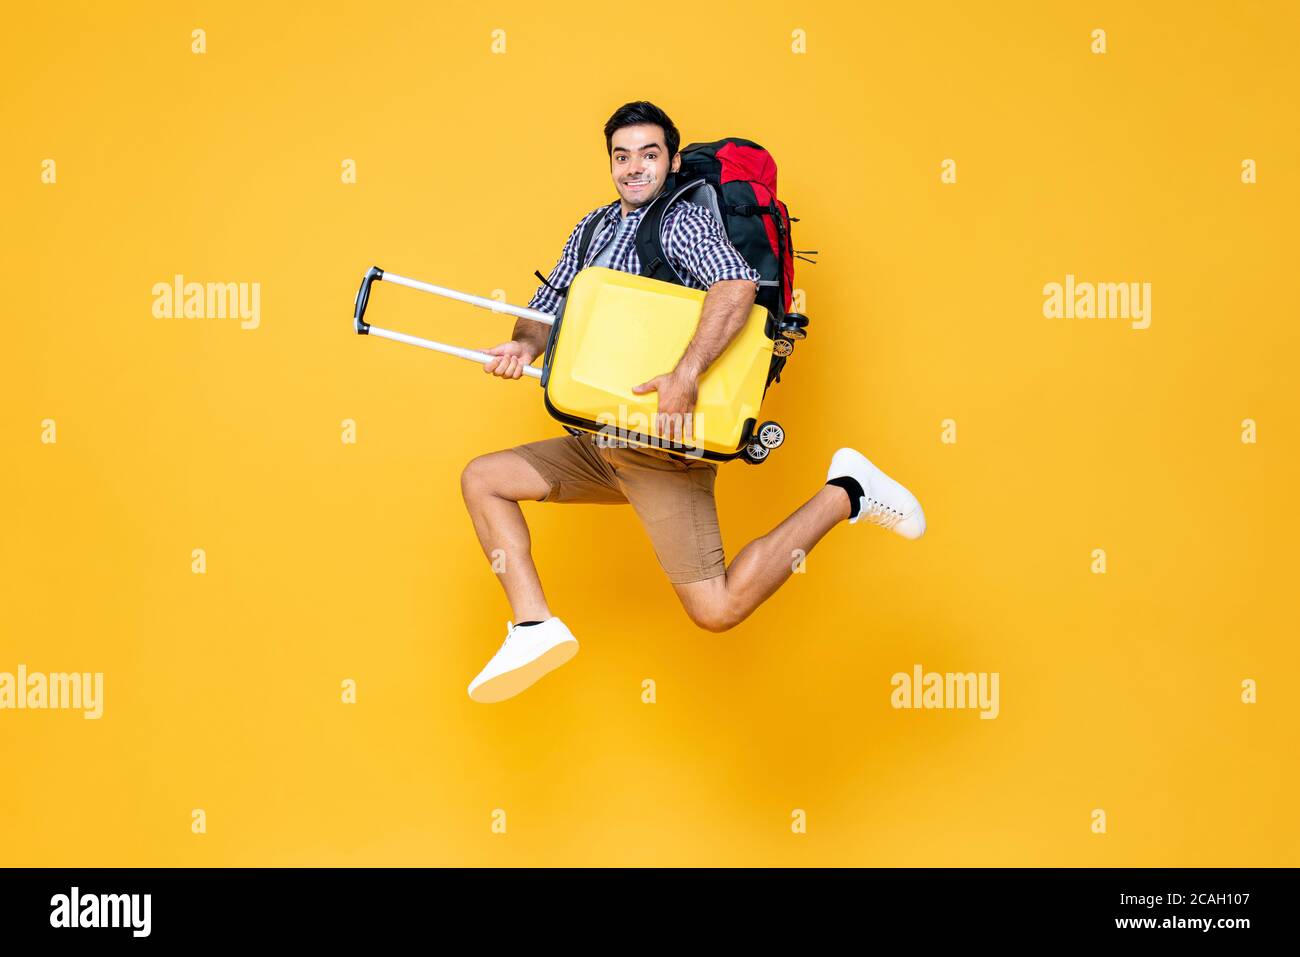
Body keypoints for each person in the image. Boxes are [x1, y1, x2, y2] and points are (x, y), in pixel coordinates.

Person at [461, 101, 925, 703]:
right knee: (484, 479)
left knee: (717, 608)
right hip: (605, 436)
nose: (634, 168)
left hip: (659, 445)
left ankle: (850, 492)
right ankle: (533, 626)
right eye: (622, 156)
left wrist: (686, 373)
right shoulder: (595, 227)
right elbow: (546, 309)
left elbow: (736, 287)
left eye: (648, 154)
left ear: (671, 160)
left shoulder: (681, 220)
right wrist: (523, 347)